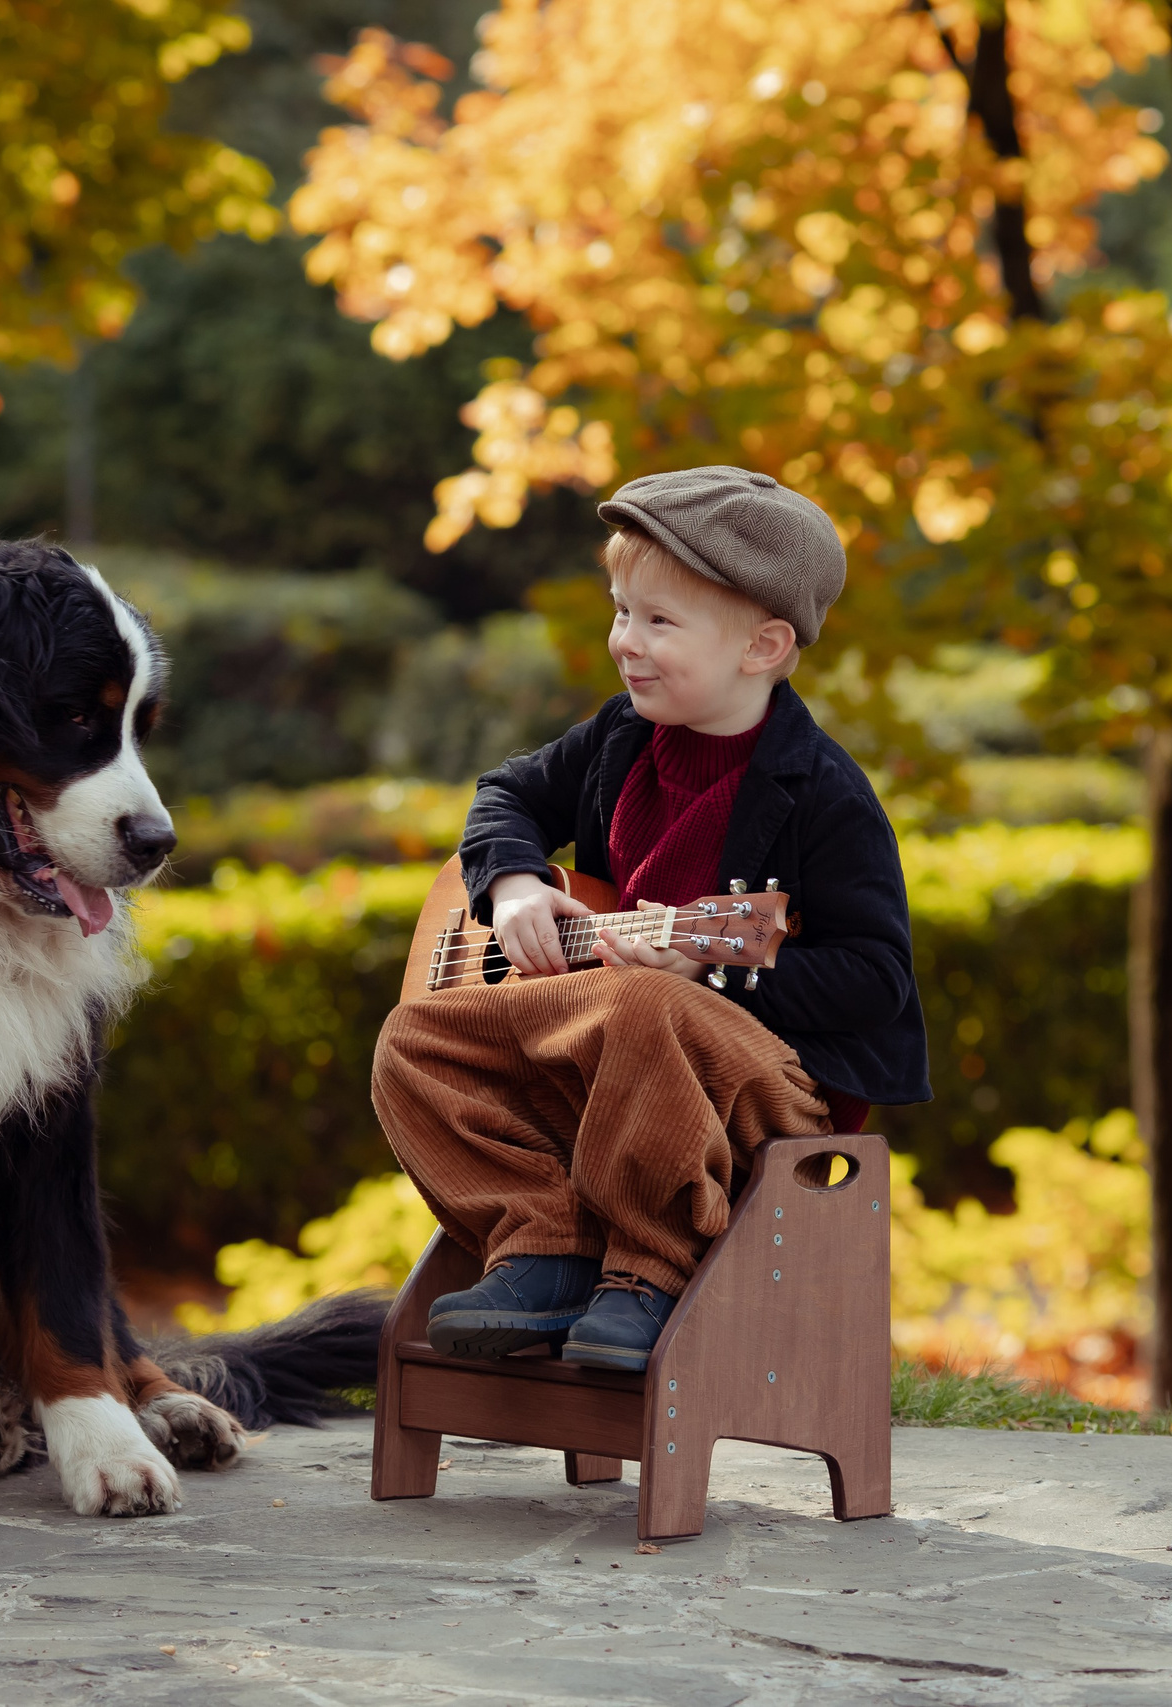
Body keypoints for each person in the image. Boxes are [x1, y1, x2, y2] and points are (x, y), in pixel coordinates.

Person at [370, 466, 931, 1372]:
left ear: (762, 646)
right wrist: (513, 886)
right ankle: (542, 1244)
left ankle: (649, 1269)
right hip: (609, 1072)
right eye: (621, 610)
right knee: (413, 1041)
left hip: (765, 1091)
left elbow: (878, 979)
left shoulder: (824, 794)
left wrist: (708, 970)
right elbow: (506, 793)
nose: (625, 641)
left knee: (641, 1007)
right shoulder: (617, 740)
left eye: (659, 621)